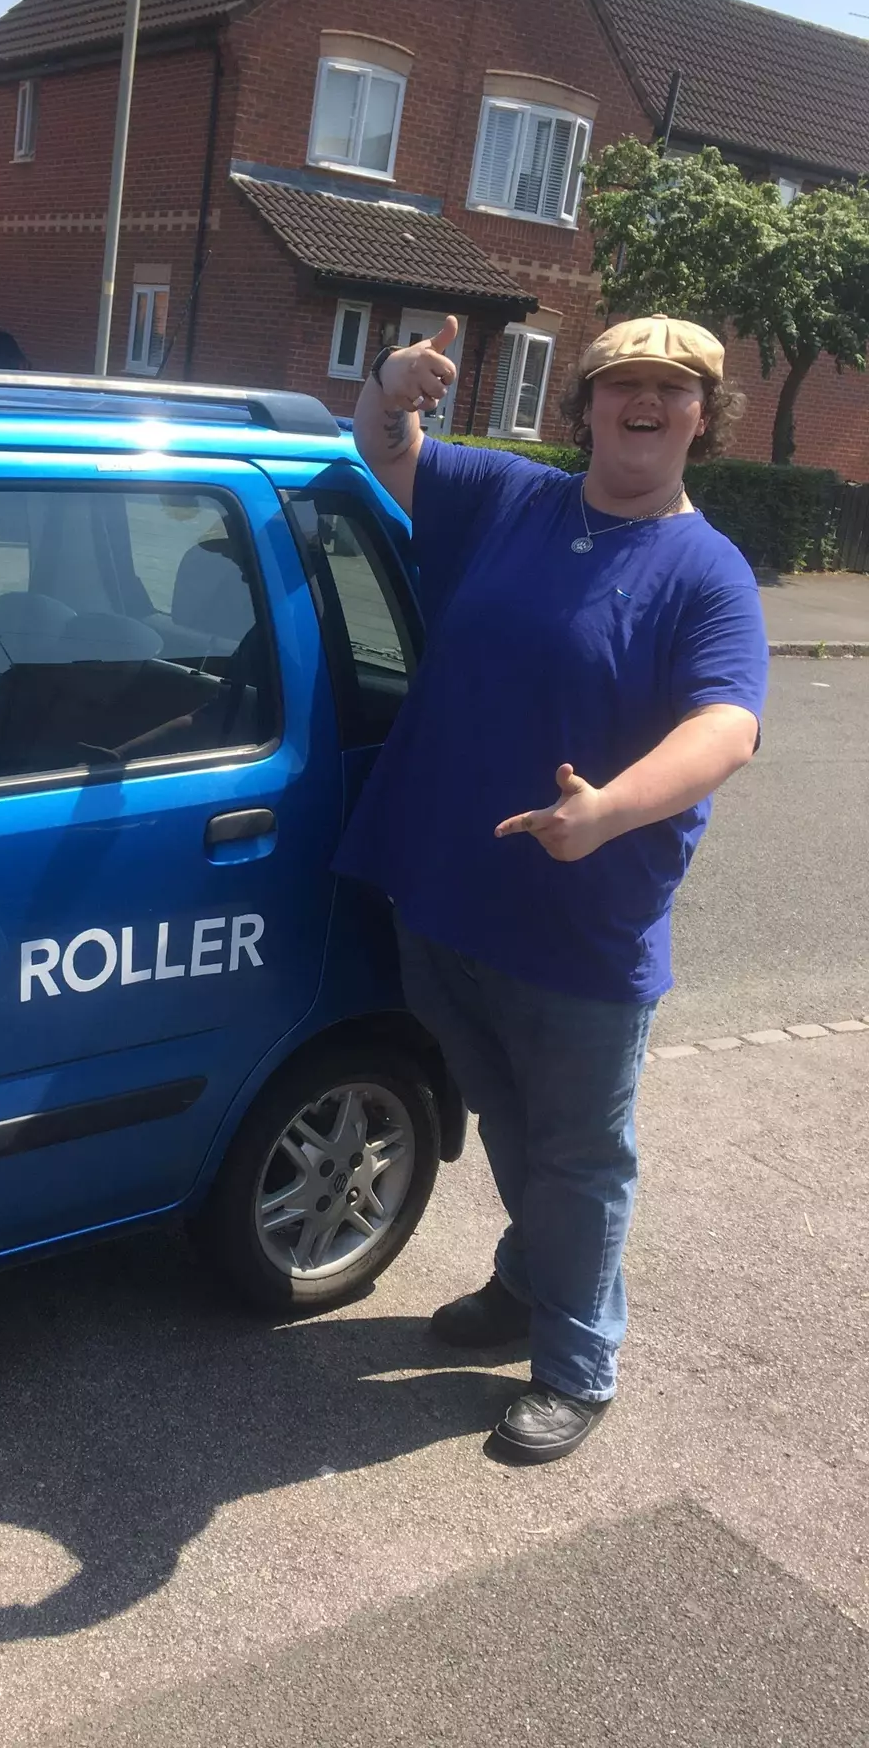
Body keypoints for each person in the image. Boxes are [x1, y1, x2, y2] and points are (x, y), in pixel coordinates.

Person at [337, 312, 767, 1465]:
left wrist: (607, 811)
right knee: (509, 1120)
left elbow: (728, 726)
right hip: (447, 888)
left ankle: (579, 1361)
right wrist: (393, 379)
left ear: (702, 420)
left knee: (578, 1151)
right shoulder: (514, 501)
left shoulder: (707, 571)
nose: (646, 402)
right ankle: (530, 1279)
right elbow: (379, 446)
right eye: (623, 382)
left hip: (584, 923)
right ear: (584, 405)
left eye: (673, 391)